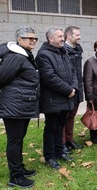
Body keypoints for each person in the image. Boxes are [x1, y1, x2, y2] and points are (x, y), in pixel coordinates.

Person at [0, 26, 39, 188]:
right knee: (15, 141)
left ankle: (19, 168)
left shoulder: (24, 55)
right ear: (19, 40)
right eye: (29, 38)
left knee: (19, 140)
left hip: (22, 105)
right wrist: (14, 92)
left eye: (35, 38)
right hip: (14, 105)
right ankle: (16, 177)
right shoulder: (15, 57)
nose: (33, 40)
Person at [35, 27, 78, 170]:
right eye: (59, 36)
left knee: (60, 127)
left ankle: (60, 152)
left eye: (62, 36)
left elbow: (73, 72)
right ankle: (50, 156)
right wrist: (68, 90)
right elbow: (49, 77)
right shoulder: (43, 55)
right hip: (52, 99)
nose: (63, 39)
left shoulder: (63, 52)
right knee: (51, 128)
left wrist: (74, 88)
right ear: (50, 38)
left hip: (66, 98)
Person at [63, 26, 83, 152]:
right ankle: (62, 142)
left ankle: (69, 140)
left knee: (71, 116)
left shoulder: (78, 50)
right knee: (64, 118)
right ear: (69, 36)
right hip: (68, 90)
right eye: (77, 35)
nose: (79, 37)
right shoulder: (63, 50)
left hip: (78, 88)